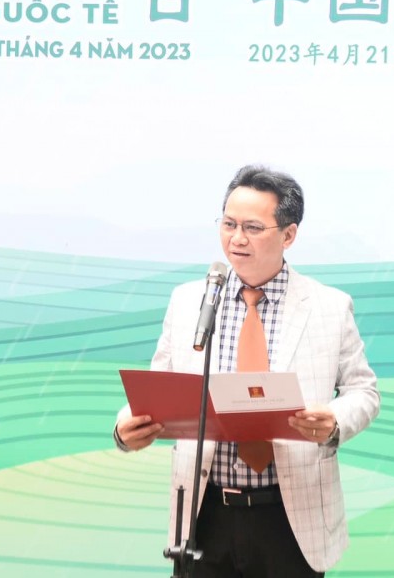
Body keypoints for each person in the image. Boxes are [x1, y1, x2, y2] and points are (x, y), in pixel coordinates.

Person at [115, 165, 380, 577]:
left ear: (288, 235)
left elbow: (364, 391)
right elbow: (160, 389)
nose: (237, 238)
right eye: (229, 224)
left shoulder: (328, 307)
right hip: (204, 514)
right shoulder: (189, 302)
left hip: (290, 517)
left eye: (253, 228)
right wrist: (125, 428)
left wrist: (333, 422)